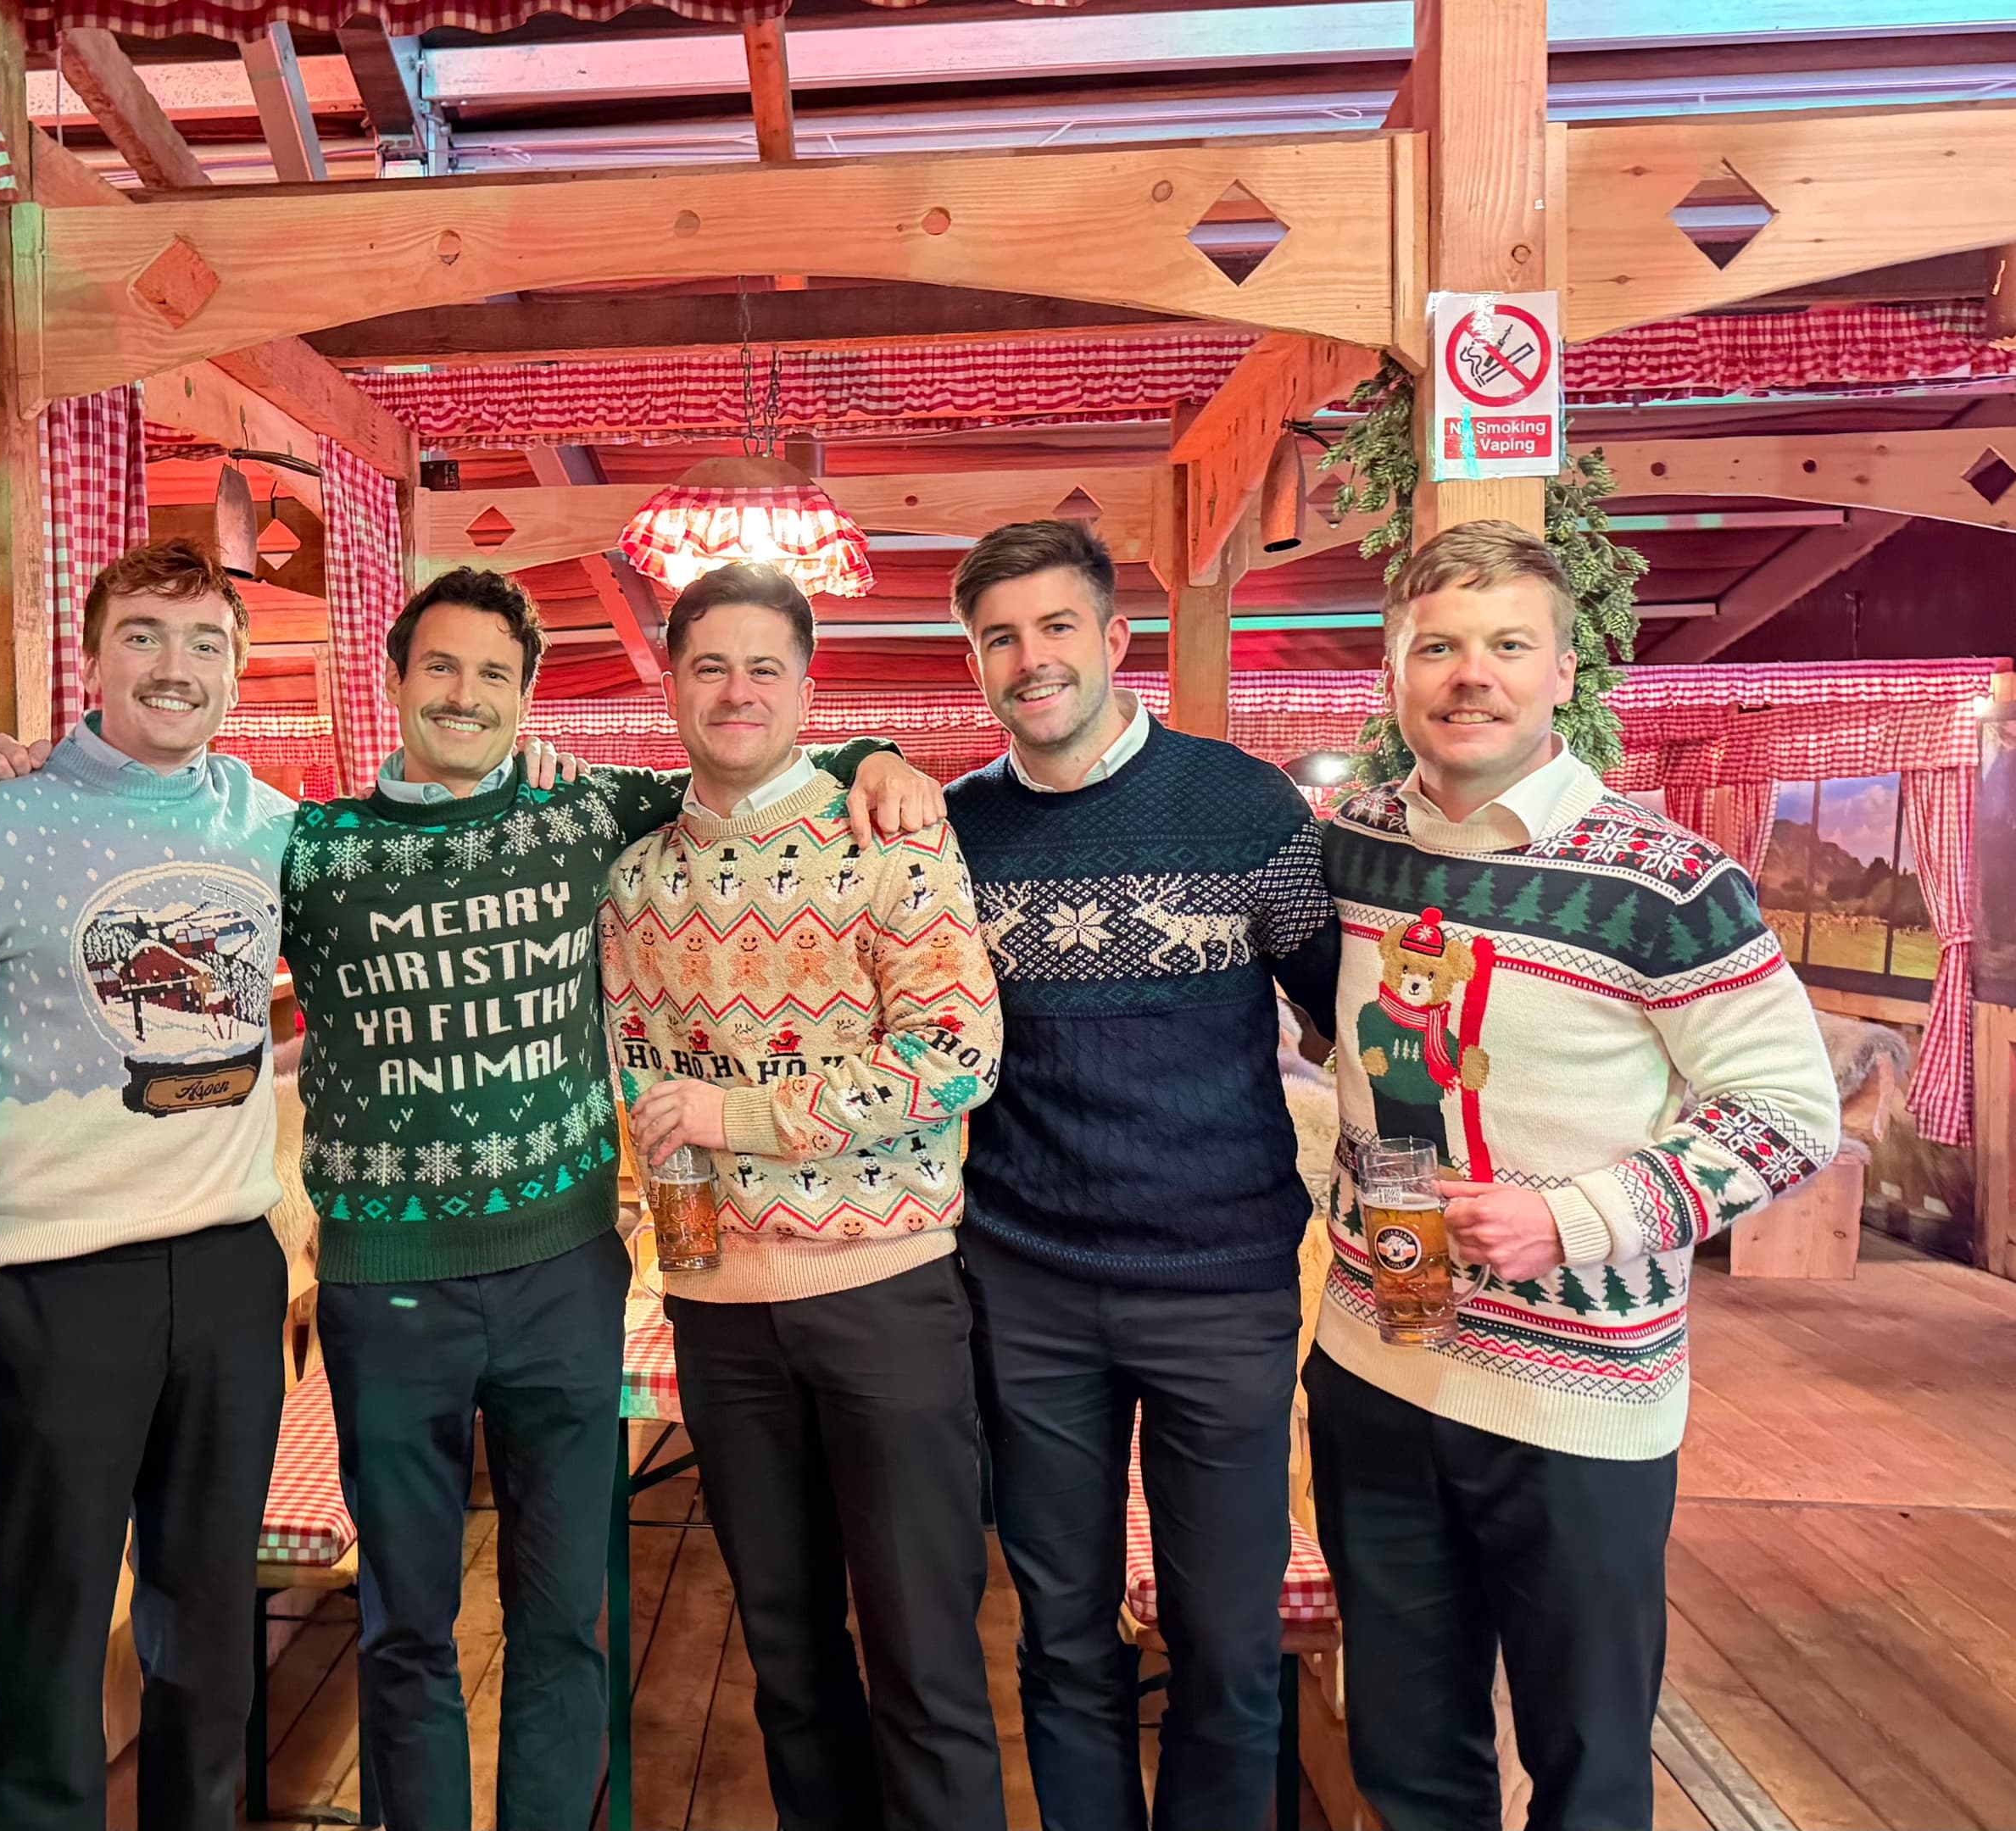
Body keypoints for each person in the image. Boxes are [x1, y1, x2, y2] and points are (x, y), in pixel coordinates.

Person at [276, 566, 940, 1831]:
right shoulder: (315, 848)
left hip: (563, 1271)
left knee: (562, 1618)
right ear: (396, 681)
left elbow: (741, 764)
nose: (466, 696)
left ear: (528, 697)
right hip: (382, 1287)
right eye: (442, 668)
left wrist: (879, 748)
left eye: (493, 674)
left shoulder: (586, 813)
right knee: (406, 1624)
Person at [1308, 520, 1840, 1831]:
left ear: (1563, 673)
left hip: (1577, 1403)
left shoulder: (1668, 883)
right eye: (1436, 647)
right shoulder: (1356, 843)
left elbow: (1789, 1114)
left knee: (1589, 1764)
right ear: (1394, 673)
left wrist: (1574, 1217)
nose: (1467, 675)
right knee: (1404, 1752)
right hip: (1378, 1366)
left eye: (1505, 646)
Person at [939, 520, 1339, 1831]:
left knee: (1227, 1648)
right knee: (1061, 1637)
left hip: (1220, 1285)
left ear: (1117, 641)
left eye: (1057, 627)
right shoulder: (951, 835)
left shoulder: (1243, 807)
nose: (1030, 658)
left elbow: (1349, 1017)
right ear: (977, 661)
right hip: (1029, 1282)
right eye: (1000, 636)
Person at [600, 561, 1007, 1831]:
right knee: (784, 1654)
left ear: (808, 688)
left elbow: (956, 1055)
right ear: (667, 684)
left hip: (886, 1296)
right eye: (709, 665)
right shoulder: (633, 878)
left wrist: (744, 1118)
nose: (736, 691)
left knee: (923, 1655)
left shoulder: (888, 840)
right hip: (718, 1310)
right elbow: (639, 1077)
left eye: (764, 666)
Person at [0, 540, 297, 1831]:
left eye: (207, 643)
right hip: (54, 1272)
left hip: (225, 1262)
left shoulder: (267, 824)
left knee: (208, 1625)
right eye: (146, 634)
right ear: (91, 655)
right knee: (49, 1623)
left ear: (236, 672)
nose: (176, 665)